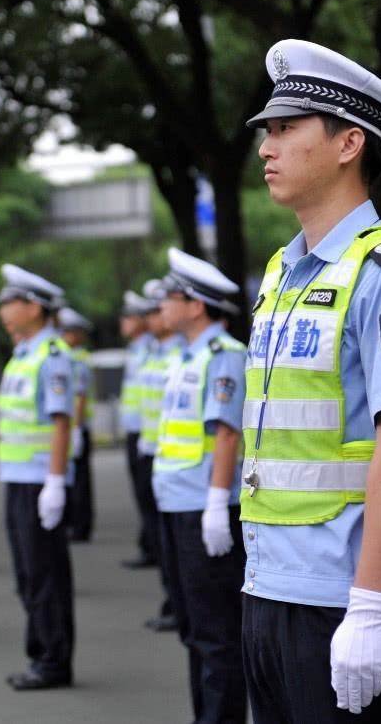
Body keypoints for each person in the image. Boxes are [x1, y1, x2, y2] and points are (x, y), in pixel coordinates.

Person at [240, 39, 381, 723]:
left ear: (349, 142)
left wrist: (369, 606)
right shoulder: (281, 273)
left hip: (342, 595)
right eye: (267, 130)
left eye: (286, 128)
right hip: (271, 583)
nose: (268, 147)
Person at [153, 247, 248, 724]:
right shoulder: (184, 356)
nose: (161, 306)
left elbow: (226, 432)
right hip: (177, 505)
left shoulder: (224, 356)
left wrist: (216, 503)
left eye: (170, 296)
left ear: (195, 305)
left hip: (202, 509)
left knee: (216, 631)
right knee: (193, 626)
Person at [0, 263, 76, 689]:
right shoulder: (23, 355)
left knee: (45, 574)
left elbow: (62, 422)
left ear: (33, 307)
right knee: (27, 573)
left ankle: (53, 660)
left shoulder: (52, 357)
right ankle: (40, 652)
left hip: (40, 481)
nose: (4, 310)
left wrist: (55, 482)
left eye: (11, 302)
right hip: (17, 477)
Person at [140, 279, 184, 633]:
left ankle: (175, 604)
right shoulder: (163, 352)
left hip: (190, 474)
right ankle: (173, 603)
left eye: (160, 307)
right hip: (160, 455)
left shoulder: (184, 353)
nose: (156, 316)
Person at [117, 290, 157, 569]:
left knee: (150, 498)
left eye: (129, 316)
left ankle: (152, 548)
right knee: (142, 497)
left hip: (149, 434)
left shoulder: (151, 349)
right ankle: (149, 545)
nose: (125, 322)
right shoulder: (137, 350)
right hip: (137, 432)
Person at [58, 306, 96, 542]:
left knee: (80, 480)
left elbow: (80, 397)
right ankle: (73, 521)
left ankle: (81, 525)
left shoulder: (79, 359)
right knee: (71, 477)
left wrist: (77, 430)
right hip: (71, 427)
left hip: (77, 427)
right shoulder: (69, 356)